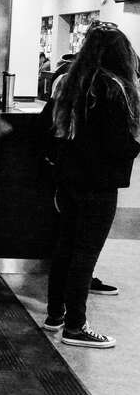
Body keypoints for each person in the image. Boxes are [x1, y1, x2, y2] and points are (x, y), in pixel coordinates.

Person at [43, 21, 140, 348]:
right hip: (98, 184)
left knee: (65, 248)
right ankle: (76, 326)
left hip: (68, 180)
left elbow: (48, 129)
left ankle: (55, 315)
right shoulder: (116, 88)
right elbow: (118, 145)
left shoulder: (70, 83)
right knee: (85, 254)